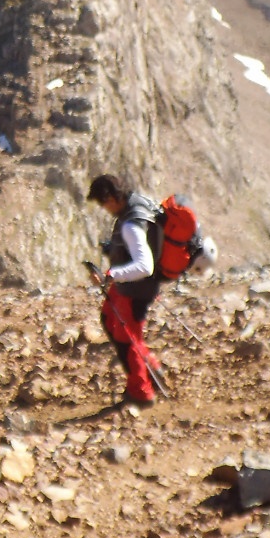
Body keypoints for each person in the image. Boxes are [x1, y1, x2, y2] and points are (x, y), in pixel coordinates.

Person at [87, 173, 163, 408]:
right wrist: (114, 250)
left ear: (111, 198)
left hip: (135, 289)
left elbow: (144, 266)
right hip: (132, 287)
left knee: (127, 339)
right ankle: (152, 368)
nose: (103, 208)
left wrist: (109, 275)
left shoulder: (130, 224)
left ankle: (141, 393)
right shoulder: (137, 204)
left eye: (102, 203)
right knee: (108, 317)